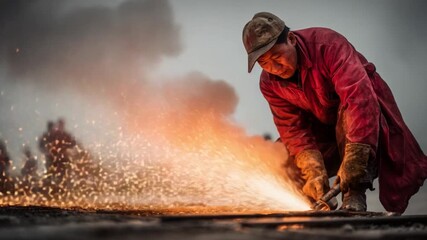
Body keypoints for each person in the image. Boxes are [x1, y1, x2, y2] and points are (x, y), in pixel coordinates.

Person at [242, 12, 427, 213]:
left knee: (349, 116)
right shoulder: (269, 83)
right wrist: (313, 172)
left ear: (292, 39)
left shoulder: (328, 45)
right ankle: (317, 199)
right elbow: (292, 130)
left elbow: (359, 99)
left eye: (277, 57)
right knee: (277, 158)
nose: (274, 68)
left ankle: (354, 196)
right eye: (264, 63)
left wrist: (355, 158)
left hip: (366, 120)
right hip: (324, 129)